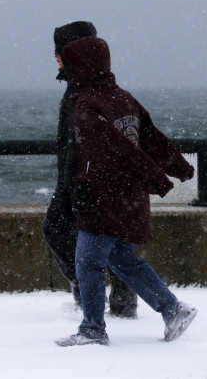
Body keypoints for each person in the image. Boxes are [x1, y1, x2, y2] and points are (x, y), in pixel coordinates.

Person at [53, 25, 197, 346]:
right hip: (129, 198)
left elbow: (113, 147)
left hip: (103, 199)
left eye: (69, 64)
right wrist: (179, 167)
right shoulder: (123, 97)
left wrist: (159, 179)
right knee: (123, 261)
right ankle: (174, 310)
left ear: (82, 67)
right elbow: (151, 137)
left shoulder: (88, 103)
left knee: (87, 264)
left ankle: (92, 330)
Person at [42, 21, 139, 318]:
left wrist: (70, 187)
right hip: (111, 179)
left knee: (60, 228)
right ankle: (122, 300)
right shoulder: (101, 86)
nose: (54, 58)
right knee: (114, 242)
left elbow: (75, 145)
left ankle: (90, 294)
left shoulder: (80, 92)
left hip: (87, 181)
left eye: (58, 52)